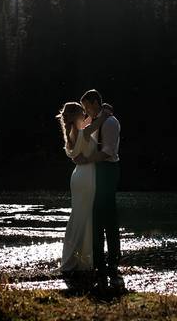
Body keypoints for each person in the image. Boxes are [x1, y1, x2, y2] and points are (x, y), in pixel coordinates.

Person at [56, 100, 113, 275]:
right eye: (83, 113)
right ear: (77, 115)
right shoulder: (83, 131)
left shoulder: (74, 131)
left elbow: (89, 122)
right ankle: (81, 260)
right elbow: (96, 122)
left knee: (79, 216)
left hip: (78, 176)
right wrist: (104, 113)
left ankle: (79, 258)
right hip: (87, 176)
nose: (86, 115)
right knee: (85, 216)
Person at [80, 88, 122, 292]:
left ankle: (113, 261)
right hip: (95, 172)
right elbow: (84, 131)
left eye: (87, 106)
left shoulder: (111, 122)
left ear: (96, 102)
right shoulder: (97, 119)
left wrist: (87, 160)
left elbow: (108, 152)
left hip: (108, 170)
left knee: (108, 216)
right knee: (96, 216)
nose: (85, 110)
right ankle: (99, 262)